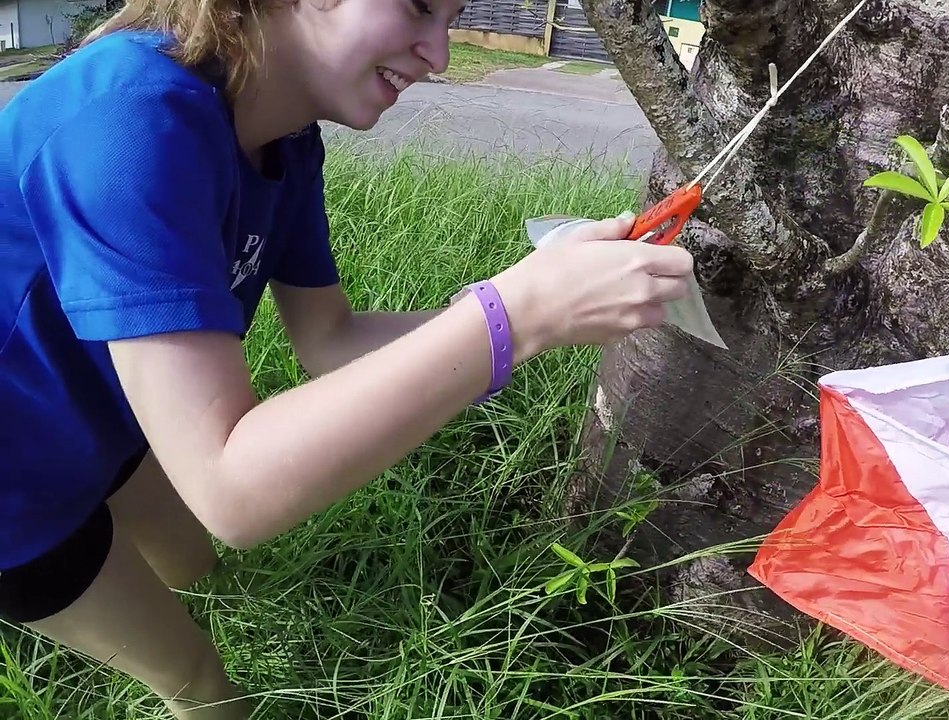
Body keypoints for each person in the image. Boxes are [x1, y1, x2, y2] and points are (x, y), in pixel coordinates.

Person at [0, 0, 695, 717]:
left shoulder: (281, 131)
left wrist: (525, 305)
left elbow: (330, 338)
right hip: (15, 483)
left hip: (110, 418)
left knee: (200, 569)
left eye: (452, 19)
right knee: (199, 683)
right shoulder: (131, 122)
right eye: (420, 7)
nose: (440, 53)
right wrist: (515, 319)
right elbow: (230, 491)